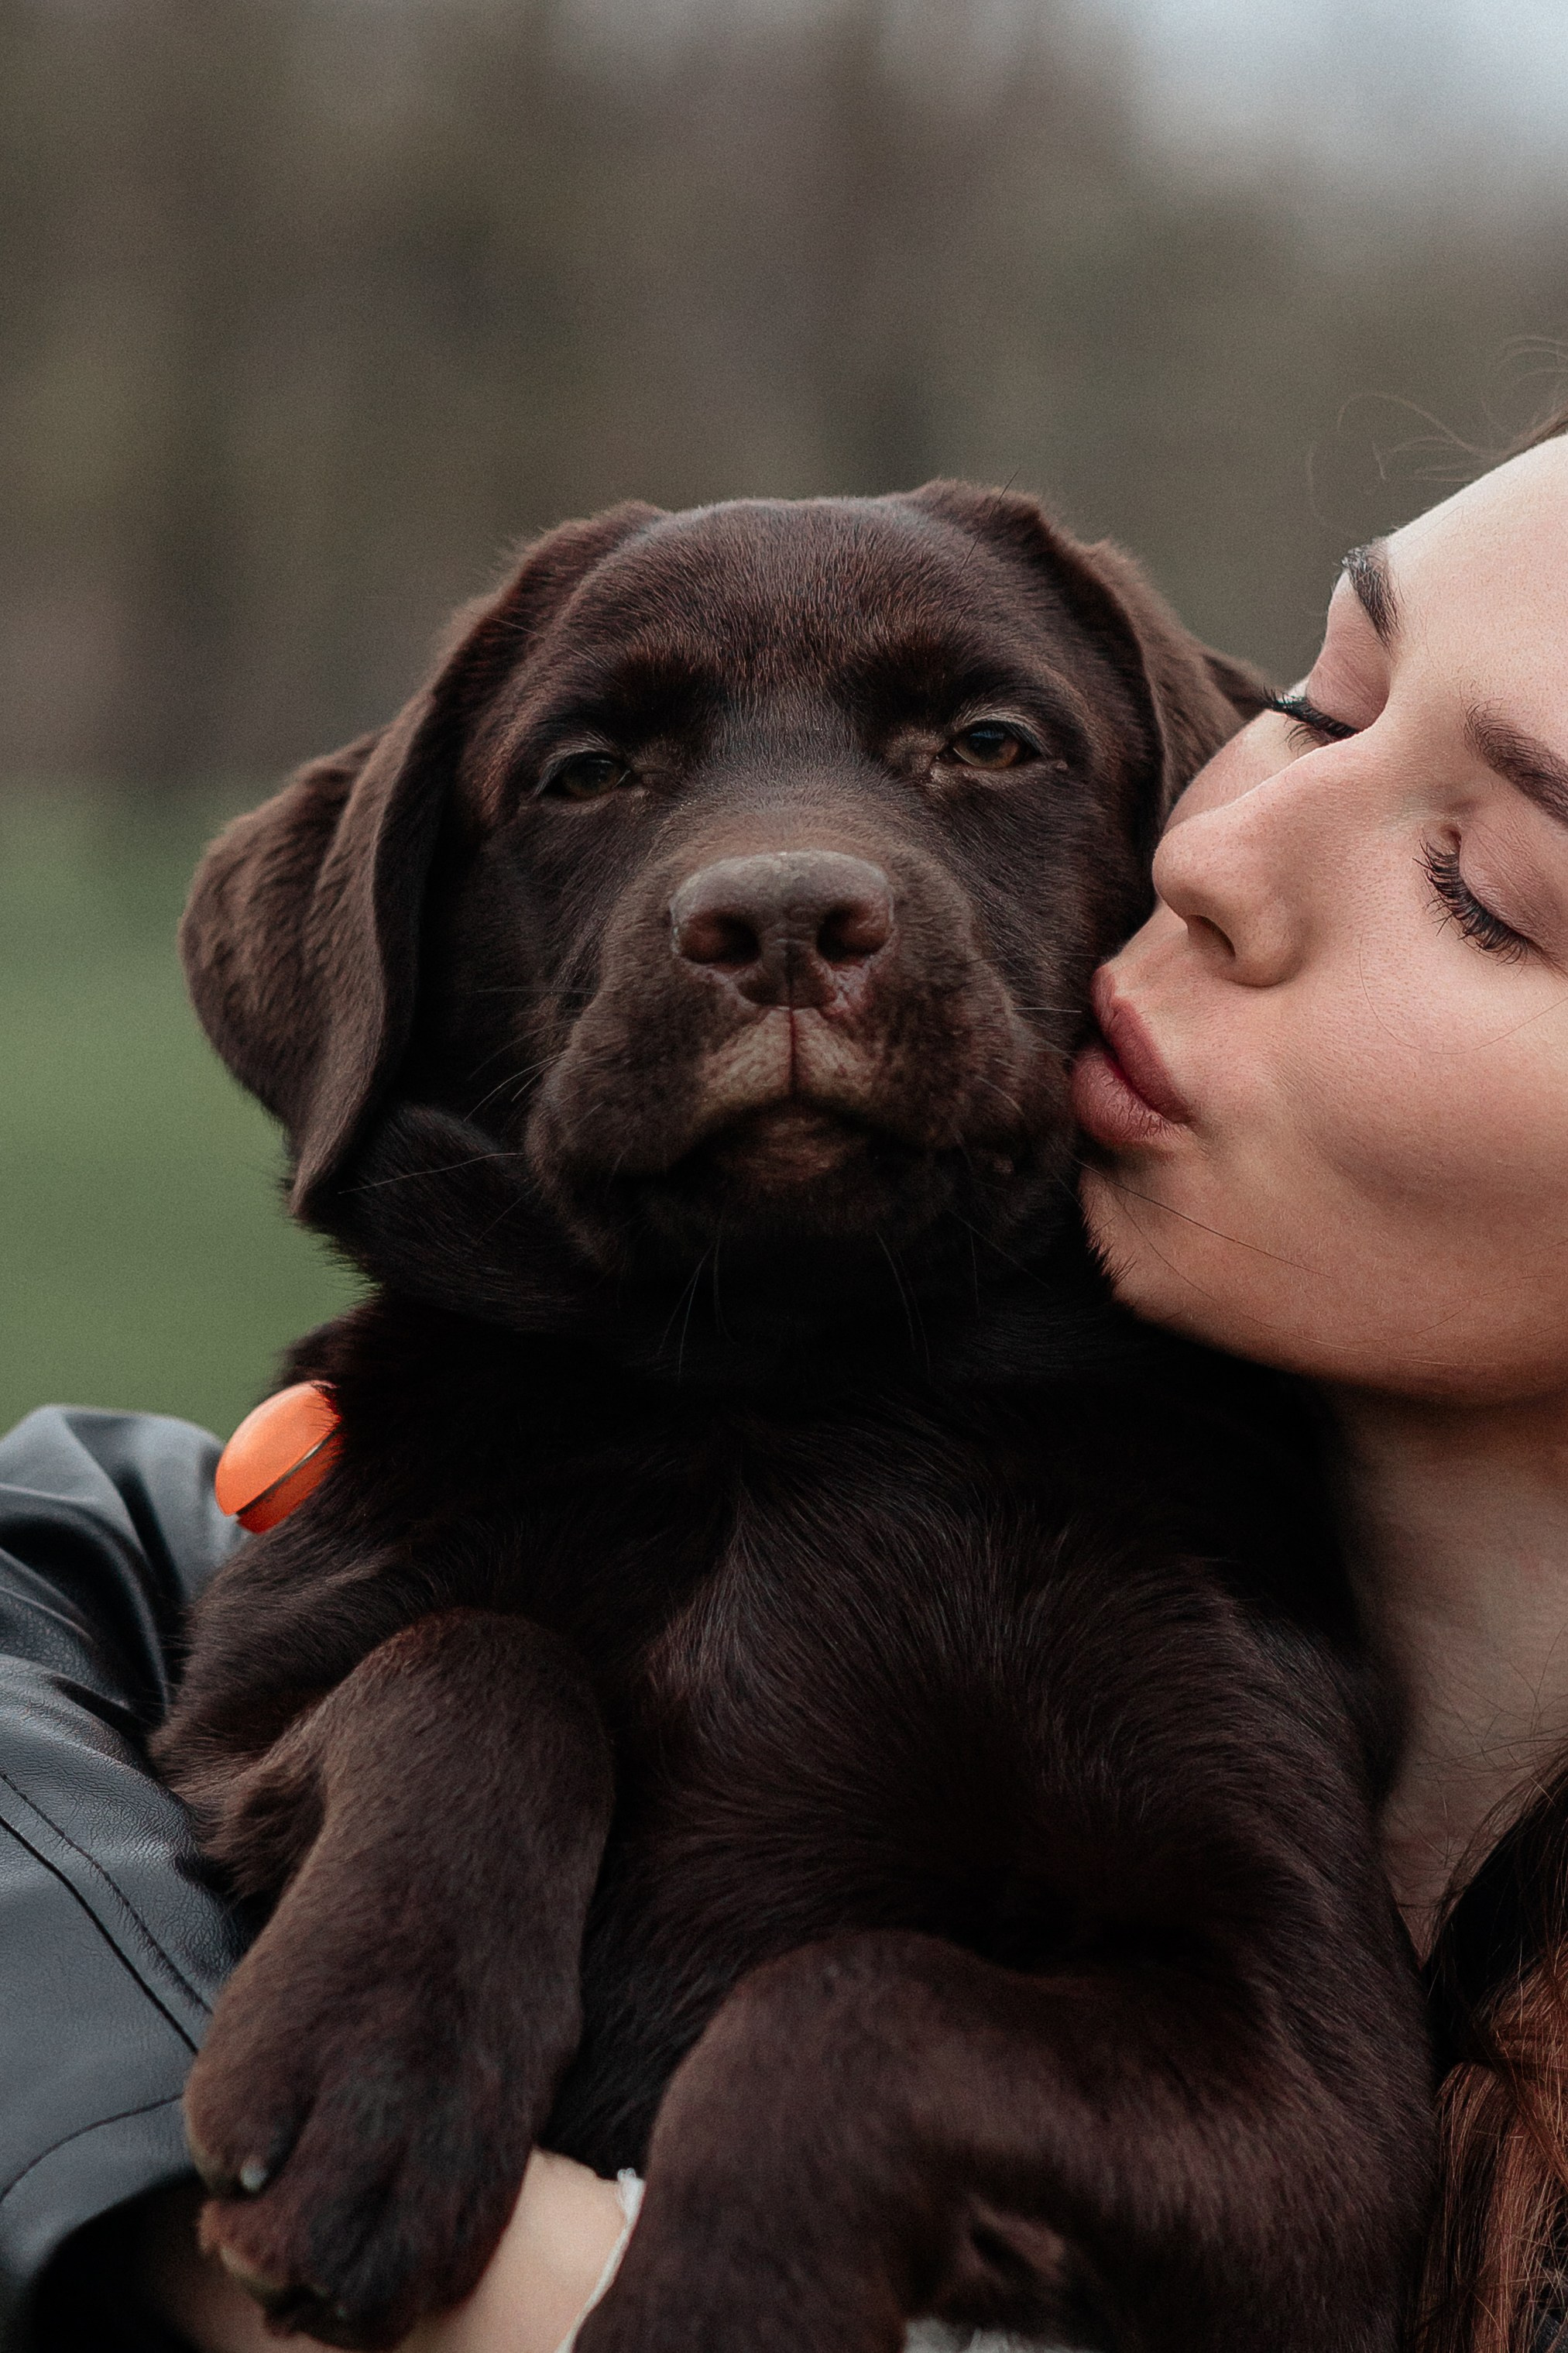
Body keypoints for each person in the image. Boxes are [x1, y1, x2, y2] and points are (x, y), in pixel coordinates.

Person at [8, 407, 1568, 2351]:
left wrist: (796, 2140)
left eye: (1489, 887)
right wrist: (436, 1761)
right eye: (1321, 711)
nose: (1224, 849)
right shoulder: (189, 1537)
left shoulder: (1175, 1588)